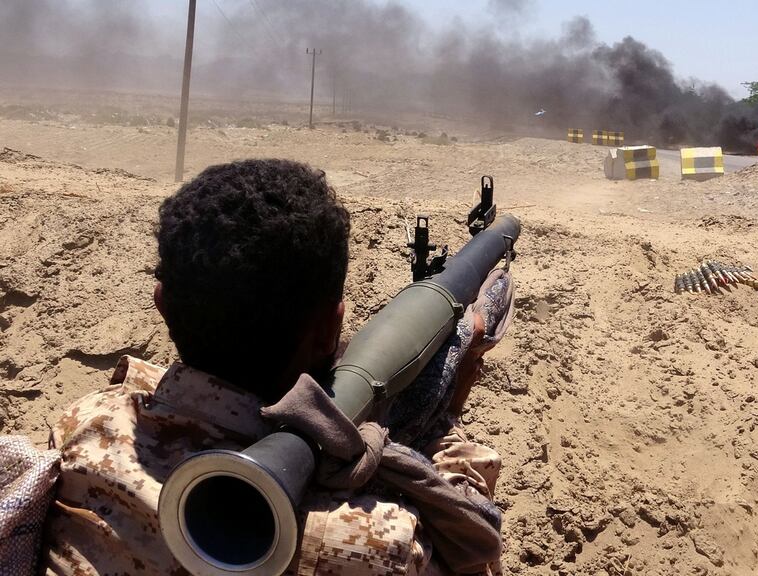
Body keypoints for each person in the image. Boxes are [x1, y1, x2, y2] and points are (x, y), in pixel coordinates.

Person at [40, 159, 505, 575]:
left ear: (162, 304)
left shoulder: (83, 429)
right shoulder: (380, 543)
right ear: (329, 330)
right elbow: (474, 544)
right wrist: (448, 397)